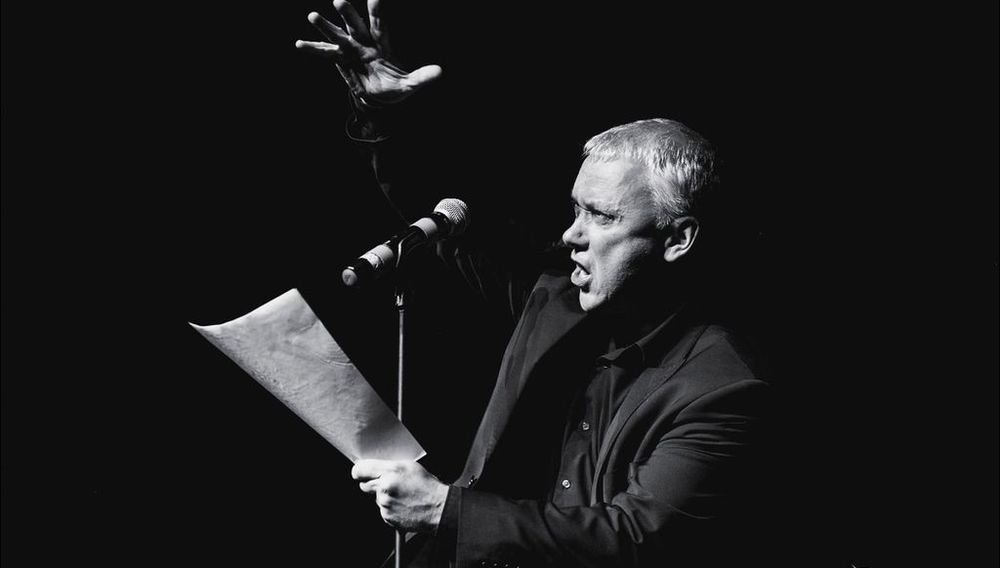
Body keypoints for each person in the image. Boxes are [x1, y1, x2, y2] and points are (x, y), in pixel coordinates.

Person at [297, 2, 775, 567]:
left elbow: (634, 539)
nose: (572, 234)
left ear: (677, 239)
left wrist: (445, 511)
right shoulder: (555, 297)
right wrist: (383, 117)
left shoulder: (722, 387)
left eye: (602, 217)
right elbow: (445, 226)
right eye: (576, 209)